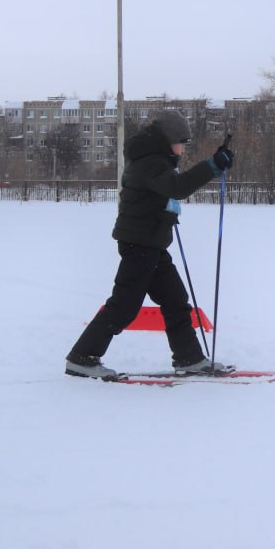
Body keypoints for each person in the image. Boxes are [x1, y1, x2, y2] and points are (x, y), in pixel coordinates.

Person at [65, 109, 235, 379]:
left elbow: (158, 195)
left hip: (150, 244)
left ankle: (189, 358)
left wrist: (164, 212)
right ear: (168, 140)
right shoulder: (150, 162)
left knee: (175, 299)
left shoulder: (154, 160)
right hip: (140, 245)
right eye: (181, 142)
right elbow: (177, 187)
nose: (182, 149)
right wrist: (212, 166)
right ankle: (81, 357)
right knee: (124, 306)